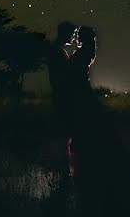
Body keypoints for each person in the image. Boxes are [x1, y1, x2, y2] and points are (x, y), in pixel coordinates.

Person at [68, 26, 130, 215]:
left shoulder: (83, 52)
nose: (76, 37)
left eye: (78, 35)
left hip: (81, 99)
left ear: (84, 37)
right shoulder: (86, 51)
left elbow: (74, 77)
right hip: (83, 98)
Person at [47, 21, 77, 180]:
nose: (74, 38)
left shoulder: (57, 50)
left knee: (65, 135)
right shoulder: (57, 52)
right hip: (63, 98)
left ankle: (64, 170)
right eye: (72, 34)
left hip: (61, 97)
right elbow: (63, 78)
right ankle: (64, 172)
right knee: (65, 135)